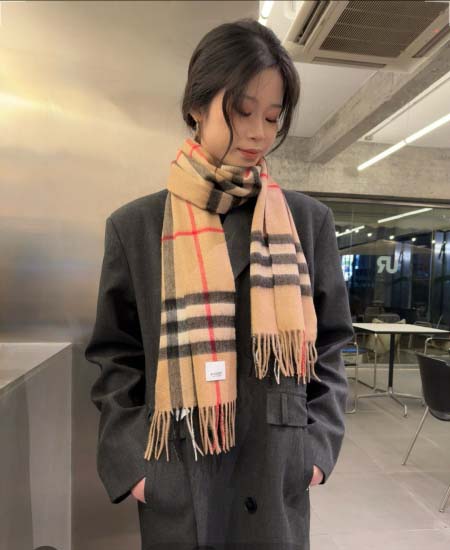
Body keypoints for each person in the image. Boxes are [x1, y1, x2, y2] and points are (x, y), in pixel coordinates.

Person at [85, 17, 354, 550]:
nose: (259, 133)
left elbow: (331, 343)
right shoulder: (136, 227)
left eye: (273, 117)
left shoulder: (306, 223)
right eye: (242, 111)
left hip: (275, 473)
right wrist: (136, 467)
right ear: (196, 106)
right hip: (179, 476)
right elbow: (116, 356)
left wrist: (315, 451)